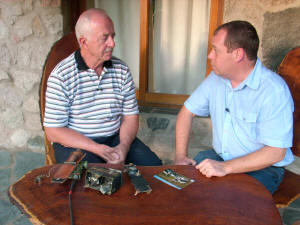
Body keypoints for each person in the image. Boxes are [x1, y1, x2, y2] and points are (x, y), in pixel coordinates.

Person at [174, 20, 294, 193]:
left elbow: (276, 153)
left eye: (216, 50)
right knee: (181, 193)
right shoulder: (216, 79)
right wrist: (180, 156)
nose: (210, 55)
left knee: (228, 208)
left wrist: (225, 168)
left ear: (238, 54)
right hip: (218, 158)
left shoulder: (273, 90)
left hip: (262, 169)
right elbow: (186, 112)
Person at [43, 8, 162, 166]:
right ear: (84, 42)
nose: (112, 43)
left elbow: (130, 117)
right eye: (105, 38)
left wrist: (124, 147)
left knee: (154, 168)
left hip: (115, 138)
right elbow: (53, 131)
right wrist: (97, 148)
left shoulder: (121, 69)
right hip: (77, 143)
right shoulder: (62, 75)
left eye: (113, 36)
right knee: (92, 182)